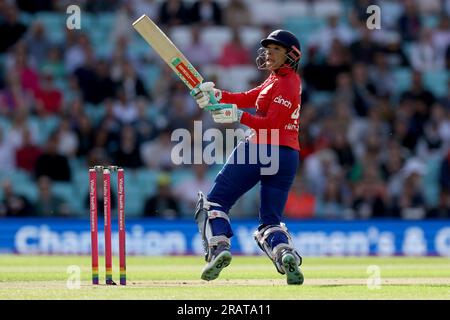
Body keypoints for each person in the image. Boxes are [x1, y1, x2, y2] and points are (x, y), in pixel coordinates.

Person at [191, 30, 304, 285]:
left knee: (214, 203)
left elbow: (272, 123)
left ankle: (219, 247)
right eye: (268, 48)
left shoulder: (288, 83)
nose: (269, 53)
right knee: (270, 221)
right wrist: (218, 96)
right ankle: (285, 254)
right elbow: (248, 98)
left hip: (260, 149)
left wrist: (238, 116)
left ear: (291, 56)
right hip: (287, 157)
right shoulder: (275, 80)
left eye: (276, 49)